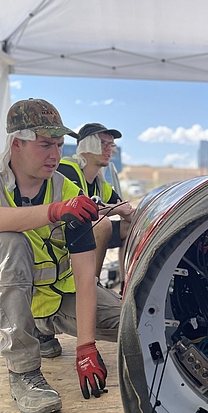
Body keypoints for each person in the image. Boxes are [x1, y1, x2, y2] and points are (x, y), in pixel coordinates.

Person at [0, 99, 122, 413]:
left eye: (58, 144)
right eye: (45, 145)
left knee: (130, 324)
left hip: (58, 299)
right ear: (16, 144)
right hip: (10, 303)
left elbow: (84, 274)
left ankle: (43, 330)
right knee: (11, 242)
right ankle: (24, 372)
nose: (55, 155)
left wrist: (86, 346)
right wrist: (54, 211)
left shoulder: (66, 190)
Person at [57, 123, 135, 292]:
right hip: (60, 236)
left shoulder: (101, 183)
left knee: (130, 228)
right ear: (86, 145)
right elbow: (80, 209)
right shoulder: (67, 169)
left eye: (111, 144)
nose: (109, 149)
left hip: (82, 235)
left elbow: (126, 210)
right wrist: (117, 209)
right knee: (101, 224)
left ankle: (125, 287)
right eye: (102, 143)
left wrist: (143, 220)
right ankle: (91, 285)